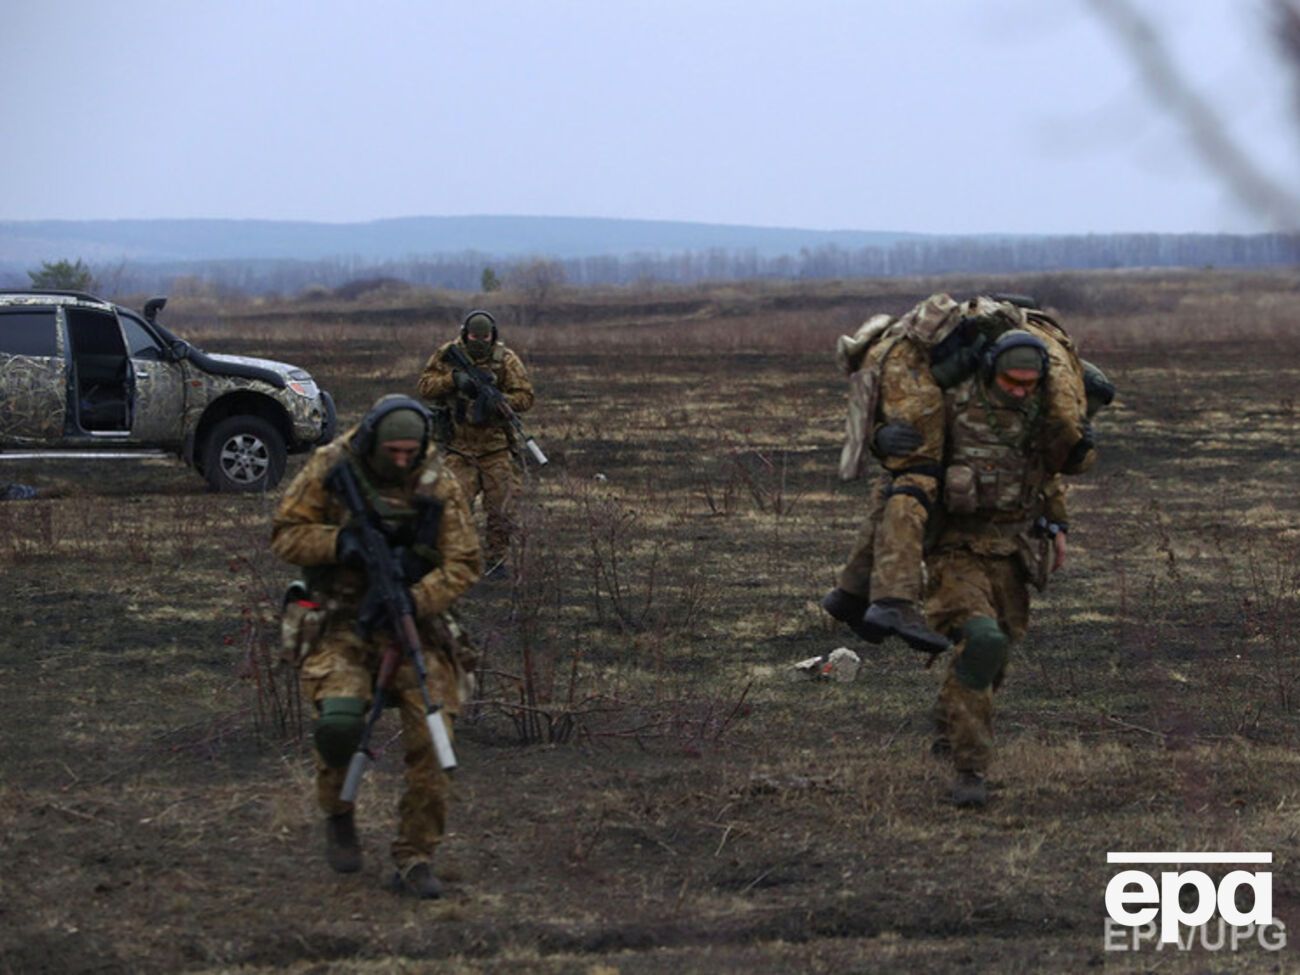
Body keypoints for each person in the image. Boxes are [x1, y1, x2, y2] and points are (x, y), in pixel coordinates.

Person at [271, 394, 481, 898]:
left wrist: (415, 597)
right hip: (340, 621)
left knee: (433, 739)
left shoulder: (438, 480)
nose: (403, 461)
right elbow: (285, 535)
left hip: (414, 622)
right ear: (371, 442)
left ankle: (415, 857)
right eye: (394, 452)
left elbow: (464, 561)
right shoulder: (331, 466)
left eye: (411, 452)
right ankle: (338, 811)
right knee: (340, 724)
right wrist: (338, 544)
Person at [822, 294, 1097, 656]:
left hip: (894, 373)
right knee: (916, 479)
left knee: (897, 484)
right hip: (905, 379)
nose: (1019, 391)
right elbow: (1060, 442)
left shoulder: (1013, 348)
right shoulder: (1046, 362)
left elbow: (1043, 455)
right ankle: (892, 601)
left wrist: (878, 435)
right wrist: (1078, 449)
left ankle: (851, 594)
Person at [920, 329, 1086, 806]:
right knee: (983, 642)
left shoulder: (1039, 413)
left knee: (995, 657)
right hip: (955, 550)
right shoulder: (953, 405)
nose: (1018, 391)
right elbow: (908, 460)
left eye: (1028, 384)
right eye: (1011, 381)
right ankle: (970, 770)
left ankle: (947, 727)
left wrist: (1058, 524)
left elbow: (1047, 474)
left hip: (1012, 553)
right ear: (992, 369)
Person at [418, 310, 535, 580]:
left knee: (501, 510)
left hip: (495, 448)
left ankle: (496, 562)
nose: (480, 342)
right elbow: (425, 386)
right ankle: (454, 560)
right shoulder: (447, 355)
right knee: (451, 508)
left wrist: (500, 402)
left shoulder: (506, 359)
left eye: (485, 337)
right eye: (474, 337)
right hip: (459, 447)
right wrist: (452, 380)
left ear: (493, 335)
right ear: (465, 334)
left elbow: (526, 397)